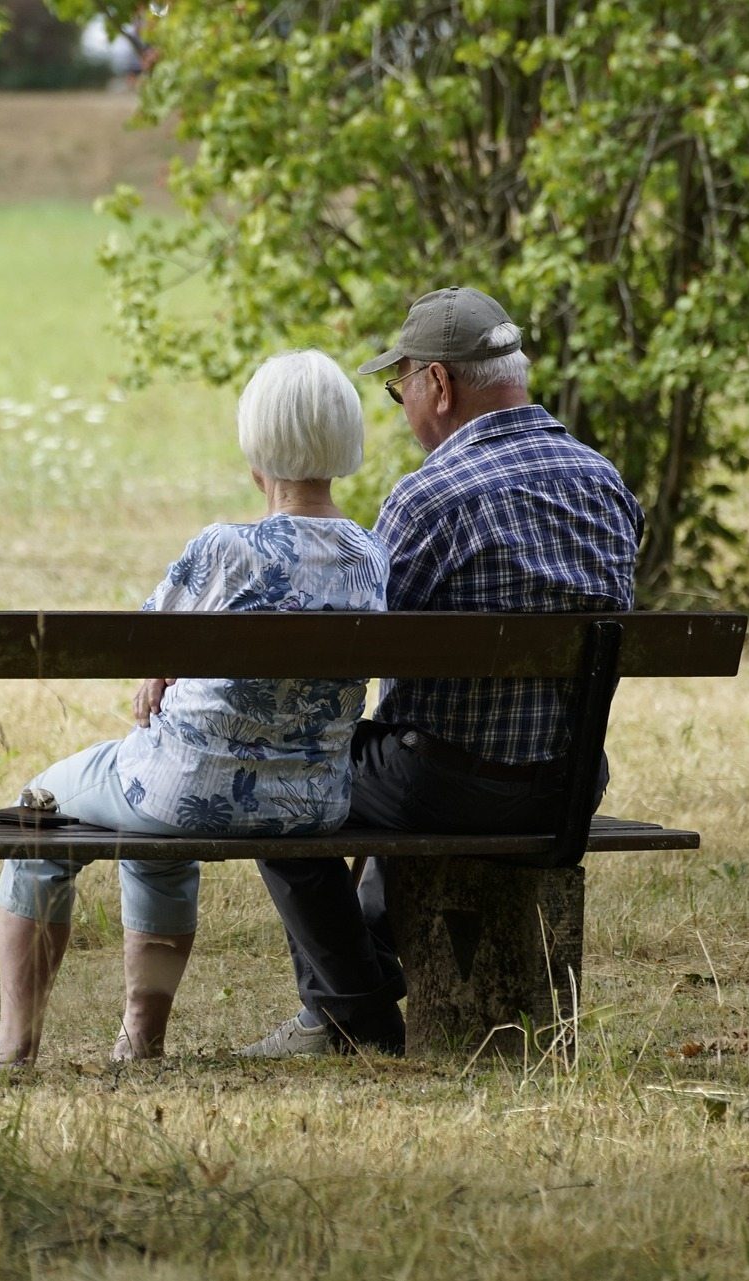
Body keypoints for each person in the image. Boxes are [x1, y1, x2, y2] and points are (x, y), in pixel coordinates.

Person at [241, 287, 644, 1058]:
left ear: (439, 384)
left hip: (446, 788)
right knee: (407, 749)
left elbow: (361, 654)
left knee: (279, 777)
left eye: (400, 392)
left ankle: (352, 1012)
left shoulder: (428, 499)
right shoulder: (606, 484)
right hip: (568, 784)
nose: (403, 409)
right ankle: (365, 977)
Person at [0, 350, 387, 1065]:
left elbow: (142, 638)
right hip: (311, 802)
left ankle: (15, 1043)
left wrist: (160, 669)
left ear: (256, 444)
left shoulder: (225, 549)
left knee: (37, 810)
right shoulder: (369, 555)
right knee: (150, 824)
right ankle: (140, 1039)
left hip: (186, 790)